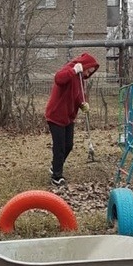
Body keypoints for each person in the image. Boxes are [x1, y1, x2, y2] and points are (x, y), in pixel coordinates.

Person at [45, 52, 99, 186]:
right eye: (89, 70)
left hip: (68, 117)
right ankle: (56, 177)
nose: (88, 74)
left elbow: (77, 96)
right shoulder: (69, 70)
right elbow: (59, 79)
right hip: (56, 115)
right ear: (85, 66)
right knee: (59, 148)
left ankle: (55, 167)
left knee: (68, 145)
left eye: (91, 72)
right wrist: (74, 71)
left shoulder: (80, 80)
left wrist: (82, 104)